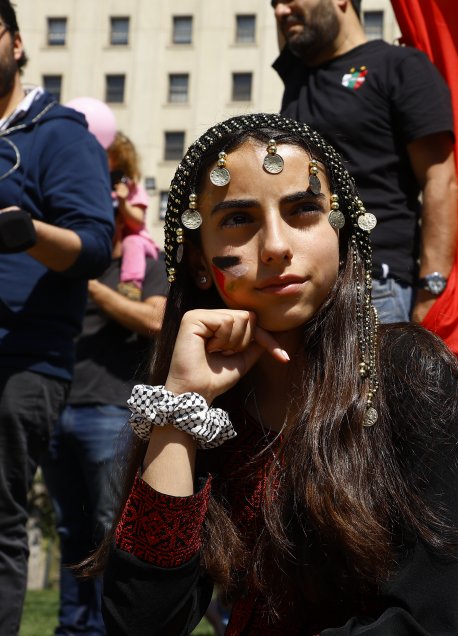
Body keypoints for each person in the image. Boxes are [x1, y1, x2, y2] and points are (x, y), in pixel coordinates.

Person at [87, 113, 458, 635]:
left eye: (303, 211)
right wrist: (180, 408)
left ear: (341, 233)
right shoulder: (211, 404)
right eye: (238, 218)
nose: (275, 245)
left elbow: (425, 622)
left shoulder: (413, 374)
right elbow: (141, 624)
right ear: (200, 261)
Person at [0, 1, 114, 632]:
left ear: (16, 43)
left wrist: (24, 231)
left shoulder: (58, 133)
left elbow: (93, 246)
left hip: (21, 360)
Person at [272, 0, 458, 324]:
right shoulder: (298, 79)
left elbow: (440, 180)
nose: (279, 11)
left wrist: (432, 290)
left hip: (376, 286)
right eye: (273, 4)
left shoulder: (400, 66)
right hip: (302, 285)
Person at [41, 186, 167, 633]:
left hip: (111, 412)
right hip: (56, 410)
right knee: (70, 531)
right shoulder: (59, 265)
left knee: (109, 529)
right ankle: (73, 628)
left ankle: (108, 626)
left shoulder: (146, 262)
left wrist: (92, 285)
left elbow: (157, 320)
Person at [107, 131, 159, 300]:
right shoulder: (103, 188)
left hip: (138, 242)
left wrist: (123, 203)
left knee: (132, 242)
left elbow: (137, 221)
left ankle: (131, 285)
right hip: (114, 244)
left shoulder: (133, 189)